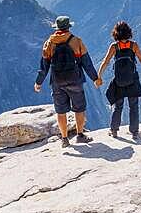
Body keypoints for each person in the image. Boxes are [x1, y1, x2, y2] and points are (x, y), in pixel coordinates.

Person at [34, 15, 101, 148]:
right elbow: (87, 63)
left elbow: (44, 67)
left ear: (57, 28)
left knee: (61, 111)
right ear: (68, 27)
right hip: (75, 80)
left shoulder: (49, 43)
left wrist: (38, 82)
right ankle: (80, 135)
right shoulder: (77, 41)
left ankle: (64, 139)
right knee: (79, 108)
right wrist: (95, 78)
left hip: (57, 82)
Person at [97, 21, 141, 141]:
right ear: (129, 33)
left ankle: (114, 130)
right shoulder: (133, 45)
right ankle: (134, 132)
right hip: (132, 80)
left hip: (118, 81)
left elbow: (106, 62)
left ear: (116, 34)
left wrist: (99, 76)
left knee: (118, 106)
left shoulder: (114, 46)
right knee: (133, 106)